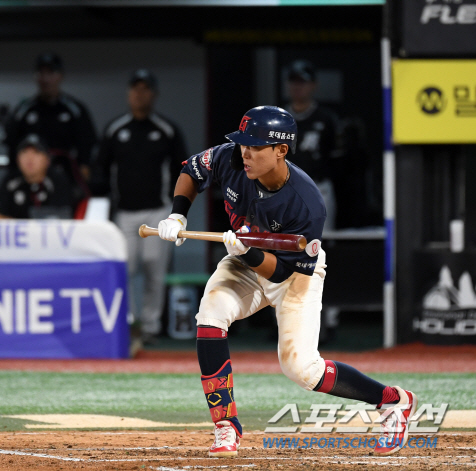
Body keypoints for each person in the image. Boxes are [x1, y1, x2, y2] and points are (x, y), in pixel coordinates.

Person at [157, 106, 417, 457]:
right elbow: (191, 170)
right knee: (210, 315)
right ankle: (226, 427)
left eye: (256, 147)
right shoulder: (230, 158)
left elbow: (281, 272)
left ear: (281, 150)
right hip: (244, 260)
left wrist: (248, 252)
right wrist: (177, 213)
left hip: (294, 274)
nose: (246, 153)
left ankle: (392, 401)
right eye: (243, 145)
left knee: (302, 370)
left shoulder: (307, 203)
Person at [91, 69, 188, 345]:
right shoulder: (116, 129)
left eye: (146, 89)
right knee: (125, 268)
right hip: (125, 212)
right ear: (129, 94)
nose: (140, 94)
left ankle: (150, 326)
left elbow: (185, 170)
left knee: (154, 267)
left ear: (154, 94)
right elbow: (100, 168)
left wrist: (175, 209)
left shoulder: (166, 130)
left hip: (157, 210)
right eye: (135, 89)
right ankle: (126, 322)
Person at [2, 52, 97, 205]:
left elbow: (87, 144)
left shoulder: (75, 110)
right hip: (30, 180)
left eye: (50, 73)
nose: (45, 79)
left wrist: (83, 171)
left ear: (60, 76)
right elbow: (12, 146)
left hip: (66, 179)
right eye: (41, 73)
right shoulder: (24, 110)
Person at [284, 59, 339, 230]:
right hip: (285, 189)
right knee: (286, 243)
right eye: (294, 81)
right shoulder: (279, 118)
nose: (297, 86)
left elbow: (337, 158)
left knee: (319, 243)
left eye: (303, 81)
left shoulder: (326, 119)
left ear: (313, 85)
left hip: (318, 187)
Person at [0, 135, 74, 219]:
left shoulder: (57, 181)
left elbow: (63, 217)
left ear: (47, 159)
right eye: (24, 152)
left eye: (36, 152)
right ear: (17, 159)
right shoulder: (11, 181)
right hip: (19, 232)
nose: (29, 158)